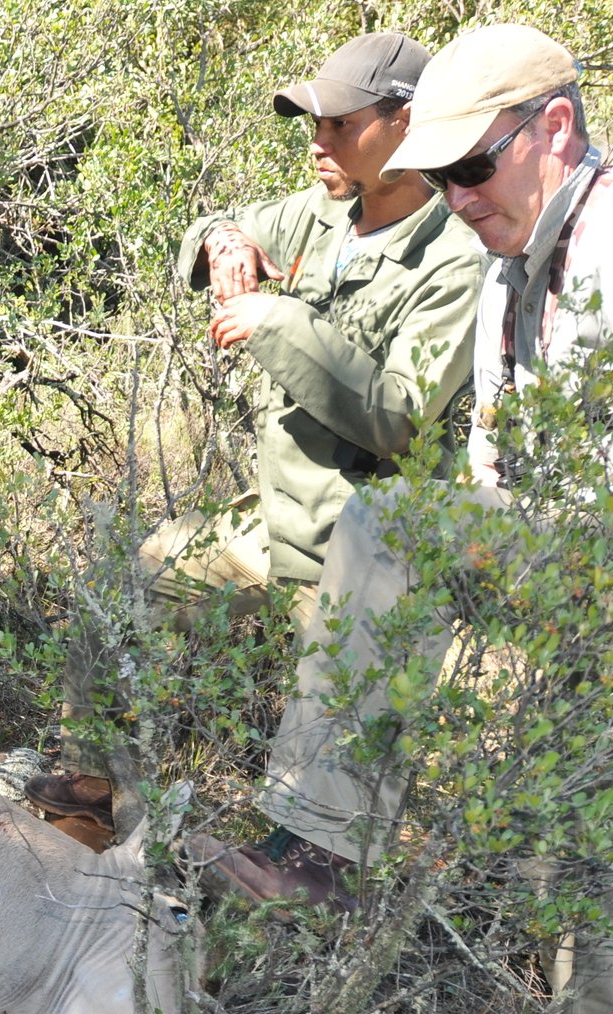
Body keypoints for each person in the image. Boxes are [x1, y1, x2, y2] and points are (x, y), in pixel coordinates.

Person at [184, 24, 613, 1014]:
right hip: (605, 568)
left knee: (392, 526)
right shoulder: (512, 251)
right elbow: (496, 463)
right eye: (438, 177)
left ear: (553, 129)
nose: (456, 198)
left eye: (470, 169)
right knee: (580, 815)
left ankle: (319, 841)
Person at [29, 31, 482, 826]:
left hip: (361, 556)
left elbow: (400, 418)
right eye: (315, 123)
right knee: (122, 592)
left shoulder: (455, 256)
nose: (319, 142)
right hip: (274, 522)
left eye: (340, 123)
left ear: (406, 121)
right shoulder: (327, 210)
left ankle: (344, 921)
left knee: (332, 790)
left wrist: (276, 320)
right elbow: (224, 223)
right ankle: (95, 793)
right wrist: (225, 238)